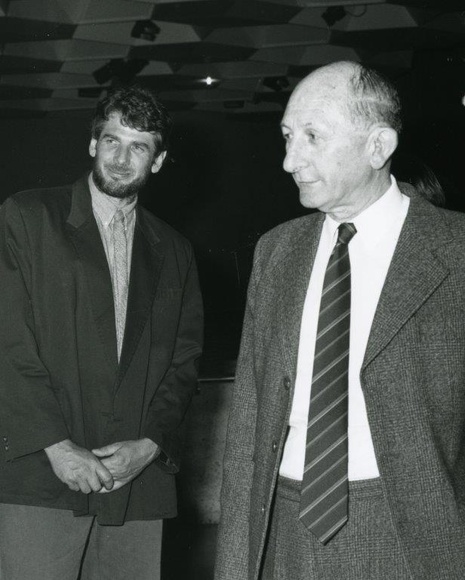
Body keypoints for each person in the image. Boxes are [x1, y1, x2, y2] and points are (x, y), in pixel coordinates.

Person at [215, 60, 465, 580]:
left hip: (409, 532)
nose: (289, 160)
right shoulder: (276, 252)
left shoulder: (454, 253)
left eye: (312, 137)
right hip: (282, 521)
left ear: (378, 146)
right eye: (287, 136)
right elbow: (248, 425)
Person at [0, 84, 203, 580]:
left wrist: (150, 445)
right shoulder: (27, 218)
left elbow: (185, 362)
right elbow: (7, 342)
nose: (120, 157)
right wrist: (56, 446)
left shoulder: (174, 250)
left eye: (138, 146)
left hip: (136, 482)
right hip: (41, 471)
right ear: (93, 144)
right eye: (111, 140)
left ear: (157, 162)